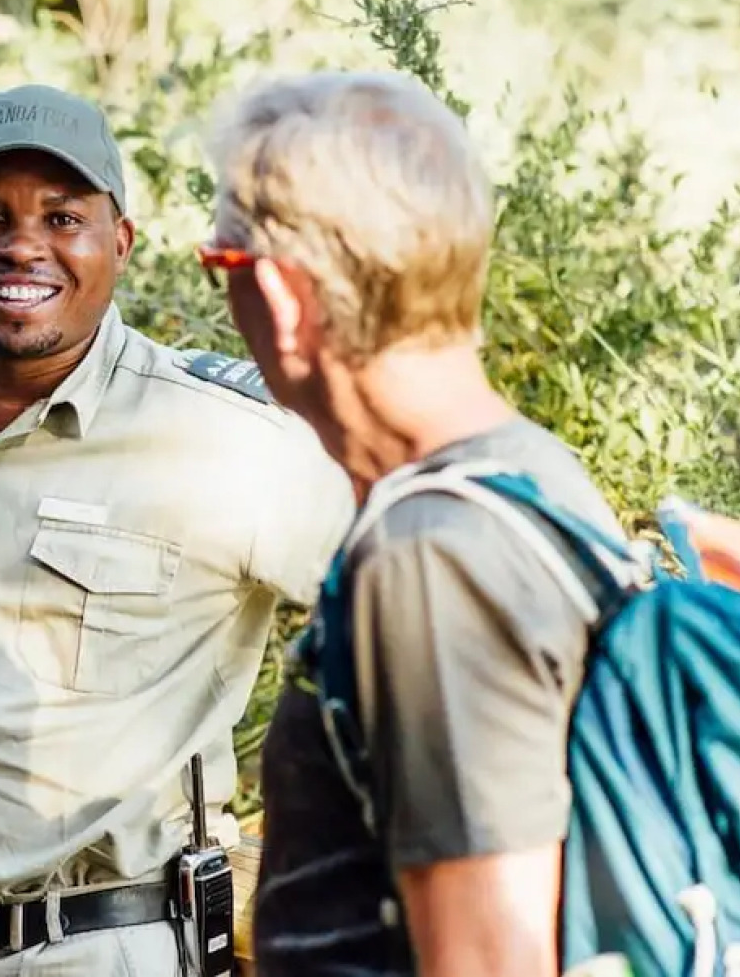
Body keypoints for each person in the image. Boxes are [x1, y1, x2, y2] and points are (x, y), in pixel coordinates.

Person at [0, 83, 354, 975]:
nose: (21, 245)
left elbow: (409, 629)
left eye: (63, 218)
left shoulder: (230, 439)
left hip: (102, 946)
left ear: (121, 241)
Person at [201, 69, 628, 977]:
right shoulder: (534, 472)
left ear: (284, 299)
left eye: (219, 267)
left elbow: (490, 959)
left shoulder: (431, 559)